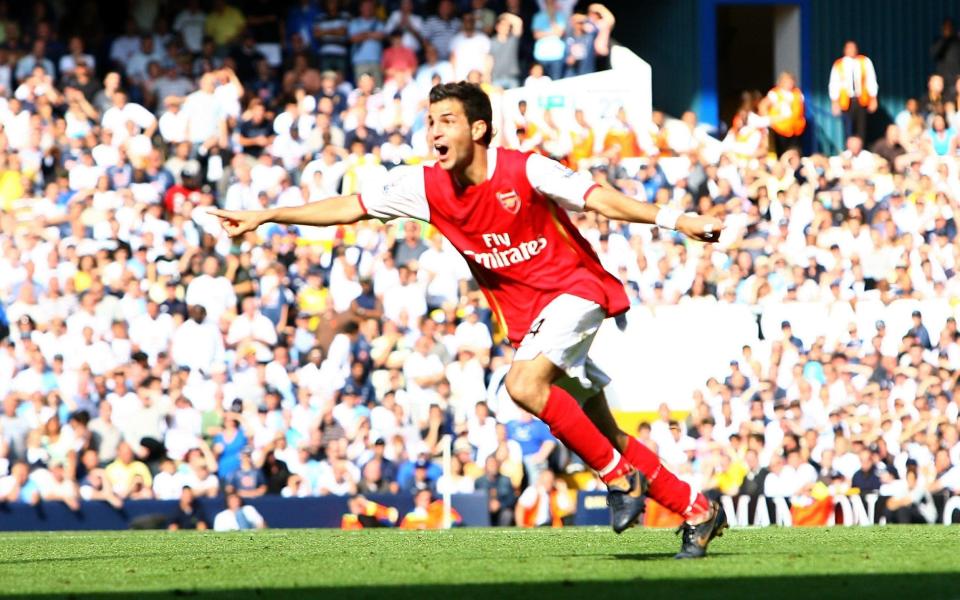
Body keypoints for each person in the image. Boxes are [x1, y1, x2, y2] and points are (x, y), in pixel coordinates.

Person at [210, 81, 727, 558]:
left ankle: (618, 480)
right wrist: (267, 216)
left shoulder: (526, 169)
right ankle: (696, 510)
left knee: (522, 386)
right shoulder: (425, 186)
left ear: (478, 129)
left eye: (447, 120)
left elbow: (601, 199)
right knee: (603, 431)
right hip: (531, 318)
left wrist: (677, 220)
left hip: (576, 292)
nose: (434, 130)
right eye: (430, 120)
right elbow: (352, 207)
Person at [828, 40, 878, 142]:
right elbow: (834, 84)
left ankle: (861, 150)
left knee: (862, 128)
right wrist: (834, 102)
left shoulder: (864, 61)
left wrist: (873, 98)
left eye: (853, 48)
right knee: (848, 128)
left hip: (861, 100)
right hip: (846, 101)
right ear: (845, 50)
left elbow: (871, 80)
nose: (851, 50)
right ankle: (849, 151)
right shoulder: (839, 64)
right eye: (849, 48)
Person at [761, 71, 806, 156]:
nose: (790, 83)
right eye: (787, 81)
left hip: (796, 130)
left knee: (795, 152)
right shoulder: (775, 94)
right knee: (782, 153)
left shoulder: (797, 93)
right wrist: (770, 119)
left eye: (791, 81)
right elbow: (763, 106)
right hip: (780, 130)